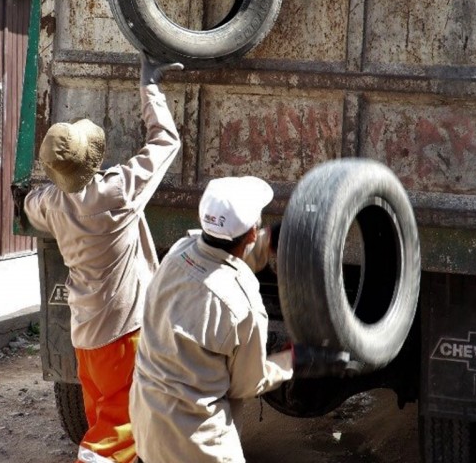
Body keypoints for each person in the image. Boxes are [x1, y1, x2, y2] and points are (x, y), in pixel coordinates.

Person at [129, 176, 358, 463]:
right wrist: (294, 359)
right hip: (197, 446)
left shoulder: (178, 253)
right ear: (250, 234)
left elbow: (216, 260)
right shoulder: (242, 302)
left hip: (147, 426)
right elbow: (247, 383)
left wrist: (269, 239)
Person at [22, 54, 182, 463]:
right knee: (114, 440)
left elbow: (30, 203)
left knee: (103, 422)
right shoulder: (117, 193)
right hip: (123, 335)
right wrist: (150, 86)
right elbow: (166, 141)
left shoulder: (54, 203)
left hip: (85, 336)